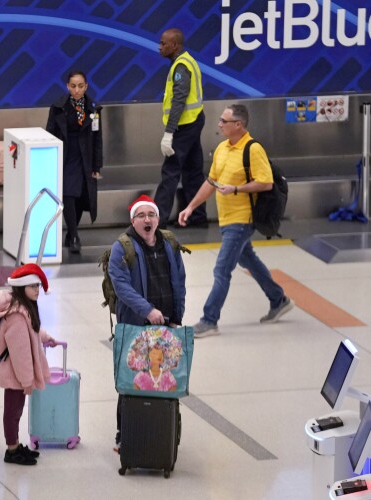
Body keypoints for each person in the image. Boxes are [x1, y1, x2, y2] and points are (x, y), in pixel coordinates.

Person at [178, 104, 295, 338]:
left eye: (224, 121)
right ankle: (278, 299)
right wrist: (190, 207)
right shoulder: (222, 148)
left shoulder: (253, 149)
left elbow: (266, 183)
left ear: (238, 125)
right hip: (226, 218)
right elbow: (211, 182)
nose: (219, 124)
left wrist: (236, 189)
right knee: (248, 259)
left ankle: (209, 320)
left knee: (222, 269)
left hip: (243, 219)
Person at [108, 194, 186, 450]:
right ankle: (124, 433)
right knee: (131, 379)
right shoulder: (123, 246)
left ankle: (164, 432)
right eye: (141, 215)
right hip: (135, 325)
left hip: (165, 325)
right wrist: (148, 310)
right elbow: (121, 286)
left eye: (151, 215)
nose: (147, 219)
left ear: (158, 219)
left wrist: (177, 317)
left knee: (165, 378)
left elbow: (179, 281)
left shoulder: (170, 243)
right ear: (133, 220)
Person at [0, 263, 57, 466]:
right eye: (33, 286)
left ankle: (15, 444)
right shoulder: (16, 316)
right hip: (15, 373)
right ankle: (12, 449)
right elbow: (20, 353)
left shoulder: (23, 308)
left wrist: (45, 337)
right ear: (22, 287)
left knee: (16, 410)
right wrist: (27, 380)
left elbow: (32, 332)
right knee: (13, 411)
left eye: (38, 286)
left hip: (17, 372)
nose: (37, 290)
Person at [154, 28, 207, 230]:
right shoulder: (186, 61)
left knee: (170, 171)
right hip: (194, 121)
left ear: (174, 45)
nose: (160, 47)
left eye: (163, 43)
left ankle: (158, 221)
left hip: (184, 126)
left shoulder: (181, 67)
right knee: (193, 171)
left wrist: (169, 133)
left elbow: (179, 100)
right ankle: (197, 216)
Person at [46, 70, 103, 254]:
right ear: (67, 87)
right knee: (68, 193)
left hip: (84, 156)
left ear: (86, 86)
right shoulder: (58, 107)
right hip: (66, 155)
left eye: (80, 86)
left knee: (80, 196)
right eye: (73, 86)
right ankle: (75, 235)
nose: (77, 90)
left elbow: (97, 139)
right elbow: (49, 134)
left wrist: (96, 166)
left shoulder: (93, 109)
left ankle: (71, 234)